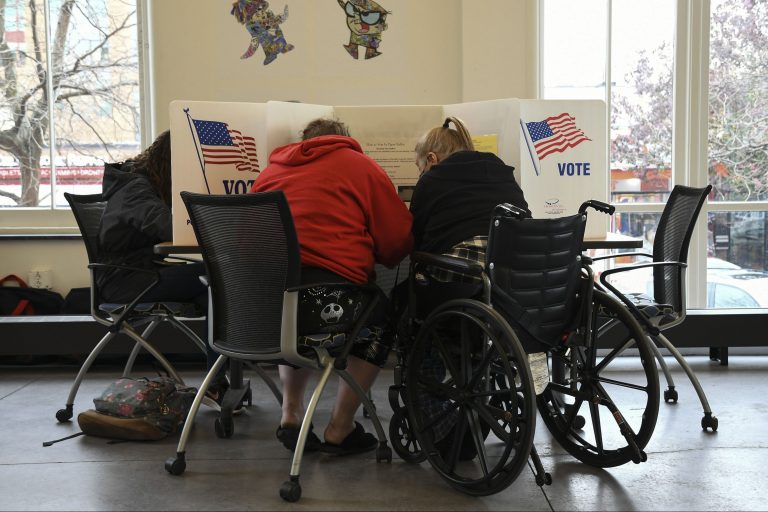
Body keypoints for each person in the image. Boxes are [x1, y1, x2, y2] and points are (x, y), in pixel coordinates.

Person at [250, 118, 413, 455]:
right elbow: (396, 244)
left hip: (265, 308)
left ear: (304, 141)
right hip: (329, 303)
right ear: (345, 140)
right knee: (381, 318)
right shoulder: (361, 166)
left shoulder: (270, 172)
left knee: (294, 309)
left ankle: (291, 414)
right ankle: (341, 426)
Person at [407, 117, 547, 460]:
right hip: (518, 284)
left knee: (410, 312)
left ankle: (437, 421)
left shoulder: (432, 180)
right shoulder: (501, 170)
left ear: (432, 160)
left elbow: (417, 239)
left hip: (464, 287)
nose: (420, 173)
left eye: (419, 166)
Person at [97, 130, 230, 404]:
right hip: (125, 282)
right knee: (218, 280)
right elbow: (166, 226)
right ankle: (218, 379)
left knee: (212, 288)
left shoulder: (138, 182)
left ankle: (219, 379)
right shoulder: (135, 189)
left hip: (137, 273)